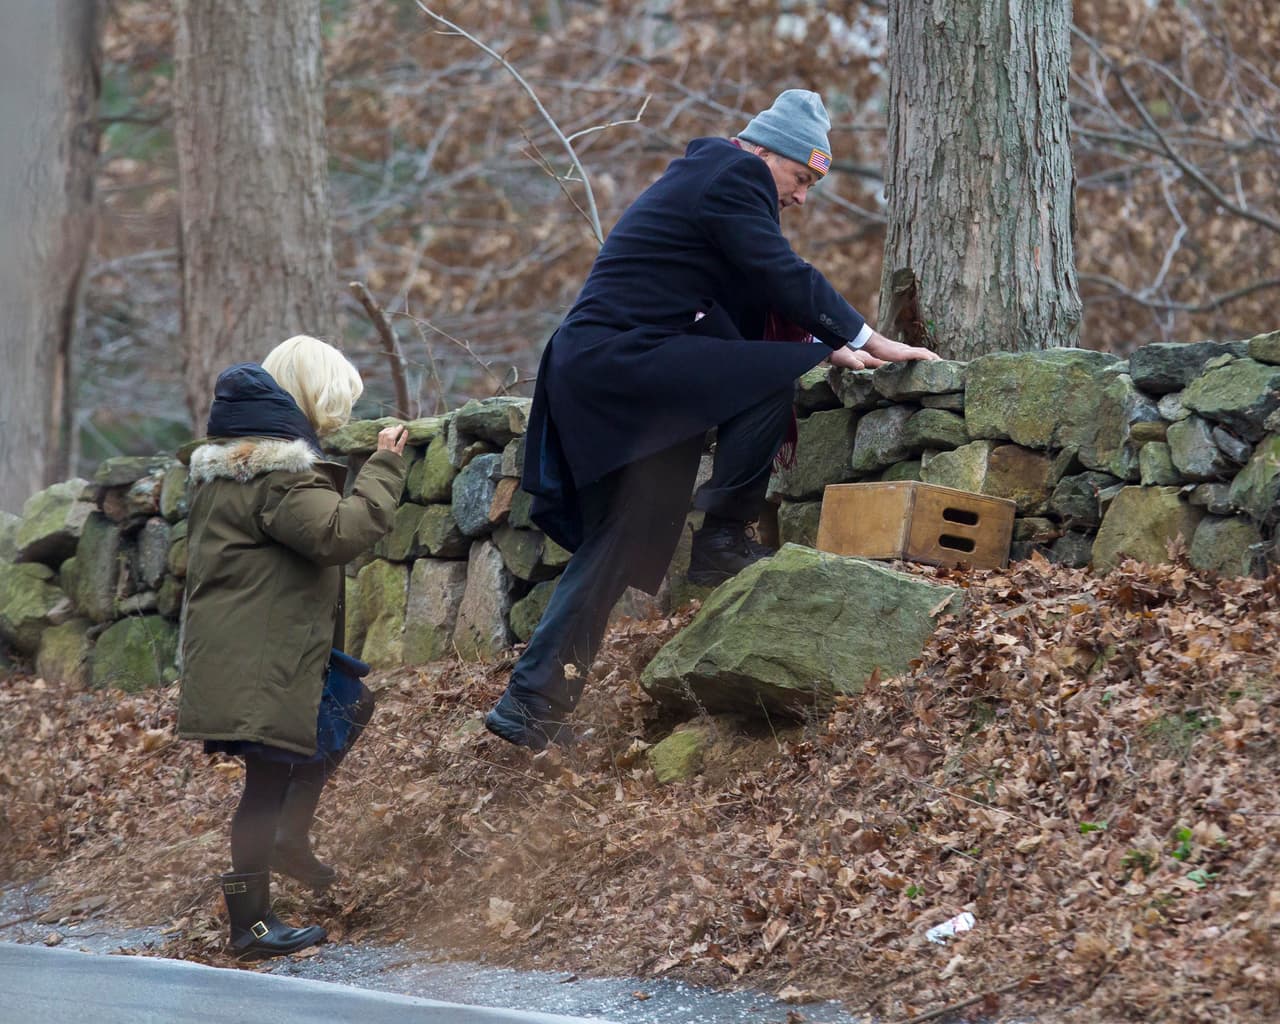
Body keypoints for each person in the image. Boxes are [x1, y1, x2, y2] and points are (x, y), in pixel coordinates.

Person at [485, 89, 939, 751]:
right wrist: (869, 338)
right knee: (770, 375)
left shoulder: (708, 180)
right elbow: (778, 270)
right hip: (621, 367)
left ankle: (529, 707)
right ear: (766, 153)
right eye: (802, 177)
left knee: (614, 546)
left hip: (612, 370)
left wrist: (822, 345)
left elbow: (739, 298)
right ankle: (723, 534)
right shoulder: (734, 174)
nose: (802, 197)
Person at [177, 335, 408, 959]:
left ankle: (288, 838)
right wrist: (385, 467)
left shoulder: (231, 469)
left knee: (347, 704)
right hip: (262, 657)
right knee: (266, 779)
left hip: (262, 648)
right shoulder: (277, 476)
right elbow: (340, 532)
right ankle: (250, 925)